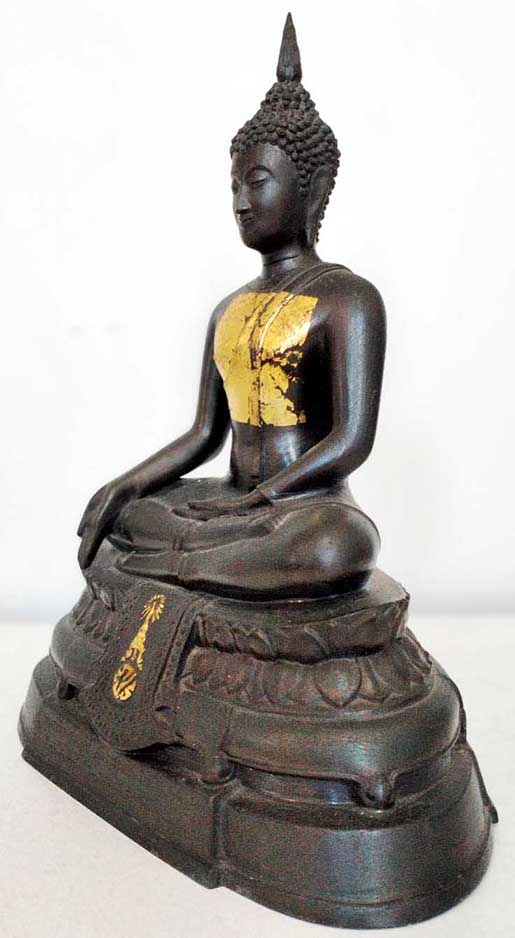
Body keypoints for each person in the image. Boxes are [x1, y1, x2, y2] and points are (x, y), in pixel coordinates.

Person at [77, 14, 385, 600]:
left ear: (314, 188)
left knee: (337, 547)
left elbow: (351, 440)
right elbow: (204, 434)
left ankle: (179, 566)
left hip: (303, 508)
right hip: (229, 502)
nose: (241, 202)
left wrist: (260, 499)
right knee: (129, 514)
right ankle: (202, 561)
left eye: (258, 182)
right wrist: (126, 484)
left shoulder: (348, 299)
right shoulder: (229, 309)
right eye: (234, 186)